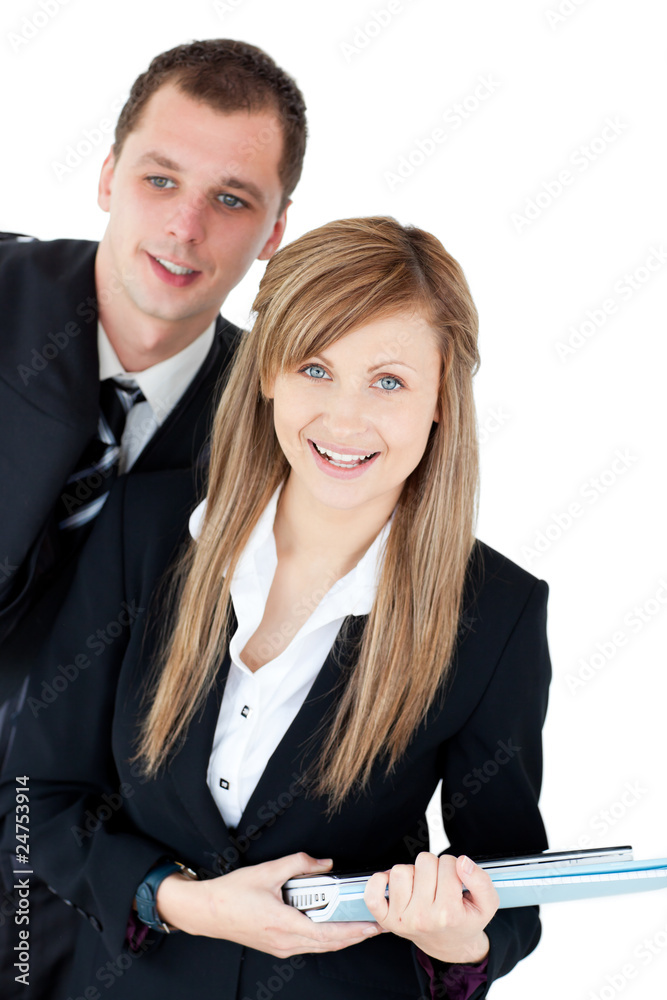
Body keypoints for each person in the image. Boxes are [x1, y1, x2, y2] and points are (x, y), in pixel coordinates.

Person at [0, 217, 551, 1000]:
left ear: (441, 401)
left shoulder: (497, 613)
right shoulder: (144, 532)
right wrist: (178, 900)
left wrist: (460, 939)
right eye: (314, 368)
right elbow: (34, 801)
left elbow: (511, 888)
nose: (345, 419)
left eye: (388, 381)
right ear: (265, 374)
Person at [0, 37, 306, 999]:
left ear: (273, 233)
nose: (183, 228)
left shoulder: (276, 428)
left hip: (55, 878)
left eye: (230, 199)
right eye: (160, 178)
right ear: (105, 176)